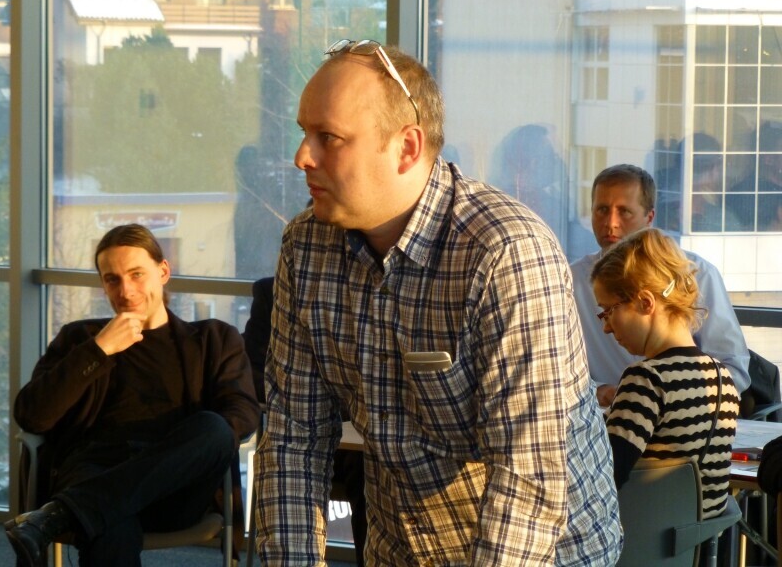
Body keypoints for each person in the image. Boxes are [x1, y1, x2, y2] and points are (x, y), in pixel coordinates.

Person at [254, 39, 622, 565]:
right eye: (303, 133)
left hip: (544, 551)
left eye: (328, 138)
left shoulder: (506, 253)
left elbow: (527, 477)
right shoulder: (306, 247)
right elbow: (294, 436)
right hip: (403, 546)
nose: (301, 157)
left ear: (407, 147)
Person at [5, 224, 260, 567]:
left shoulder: (213, 339)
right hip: (95, 469)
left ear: (163, 271)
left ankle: (62, 513)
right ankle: (79, 508)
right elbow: (32, 415)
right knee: (108, 523)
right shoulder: (80, 339)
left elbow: (243, 413)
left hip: (175, 484)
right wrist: (98, 350)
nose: (126, 291)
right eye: (112, 279)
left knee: (215, 428)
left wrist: (177, 453)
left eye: (137, 274)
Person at [570, 164, 750, 407]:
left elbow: (733, 369)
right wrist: (597, 390)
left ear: (649, 218)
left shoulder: (696, 273)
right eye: (602, 210)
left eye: (624, 211)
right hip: (604, 413)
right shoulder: (572, 280)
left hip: (685, 412)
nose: (610, 223)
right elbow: (557, 369)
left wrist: (666, 399)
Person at [591, 228, 739, 517]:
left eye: (608, 311)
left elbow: (604, 477)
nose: (606, 327)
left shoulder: (646, 379)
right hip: (695, 539)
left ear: (645, 303)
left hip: (640, 535)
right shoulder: (722, 378)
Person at [241, 276, 367, 566]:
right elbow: (251, 371)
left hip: (366, 441)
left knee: (370, 465)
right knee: (286, 461)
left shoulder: (380, 293)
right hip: (304, 433)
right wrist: (303, 391)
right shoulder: (273, 291)